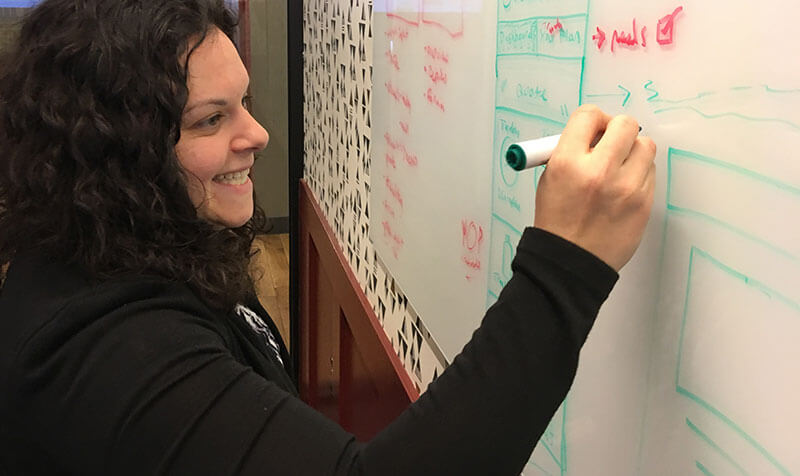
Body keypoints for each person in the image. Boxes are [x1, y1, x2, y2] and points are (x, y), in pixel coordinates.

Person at [0, 1, 656, 475]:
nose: (256, 134)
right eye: (211, 119)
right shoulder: (98, 344)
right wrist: (566, 263)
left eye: (245, 102)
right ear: (112, 154)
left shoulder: (143, 241)